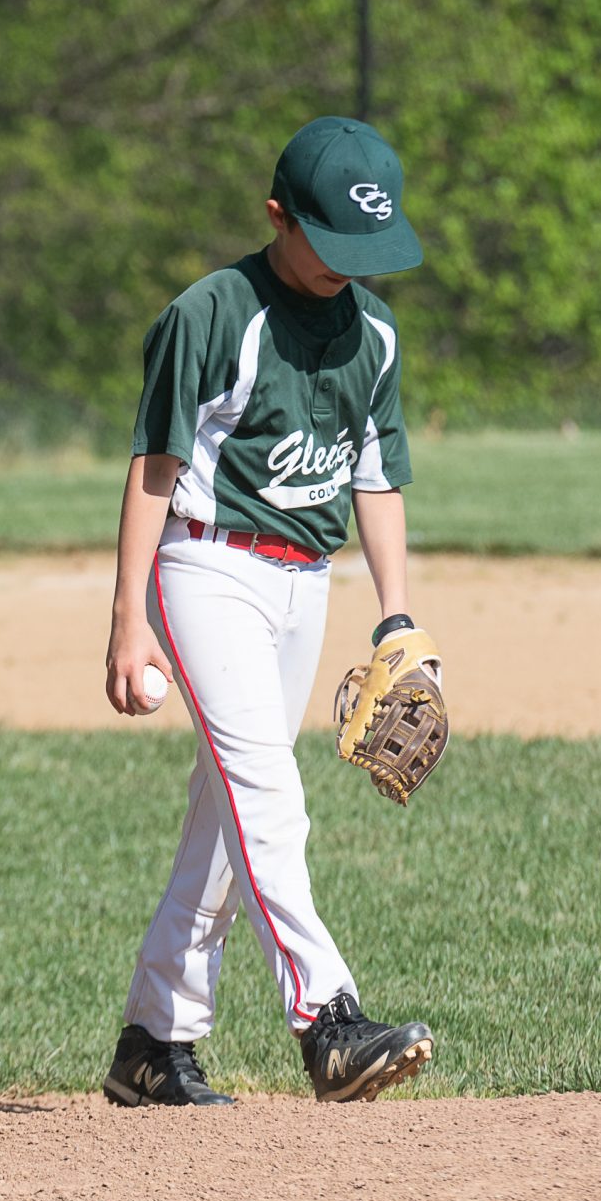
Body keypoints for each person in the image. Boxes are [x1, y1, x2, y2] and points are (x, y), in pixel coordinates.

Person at [99, 116, 438, 1106]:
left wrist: (397, 617)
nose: (346, 270)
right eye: (327, 245)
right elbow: (153, 468)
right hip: (205, 570)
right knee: (268, 796)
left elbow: (377, 480)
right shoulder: (212, 314)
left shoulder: (372, 333)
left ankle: (153, 1042)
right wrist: (126, 621)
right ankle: (327, 1020)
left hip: (304, 582)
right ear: (276, 216)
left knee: (224, 820)